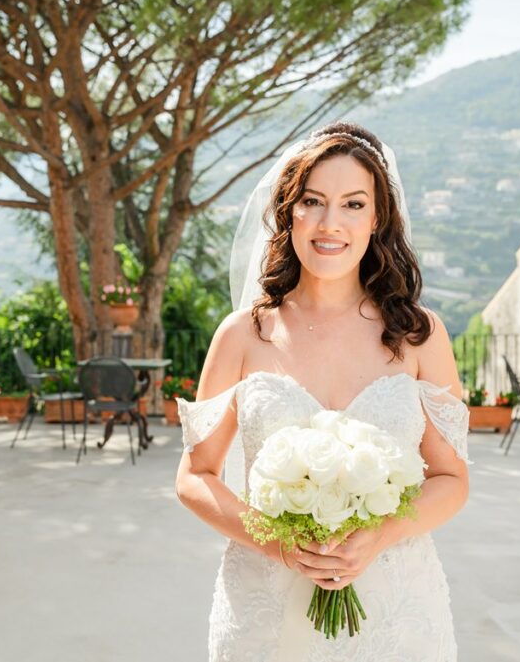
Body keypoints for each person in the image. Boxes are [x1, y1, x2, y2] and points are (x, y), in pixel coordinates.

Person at [174, 121, 471, 660]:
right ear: (288, 211)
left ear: (377, 218)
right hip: (263, 612)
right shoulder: (242, 334)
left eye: (353, 204)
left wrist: (379, 534)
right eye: (313, 201)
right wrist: (279, 544)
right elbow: (195, 476)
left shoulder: (420, 335)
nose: (330, 222)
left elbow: (452, 479)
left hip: (395, 612)